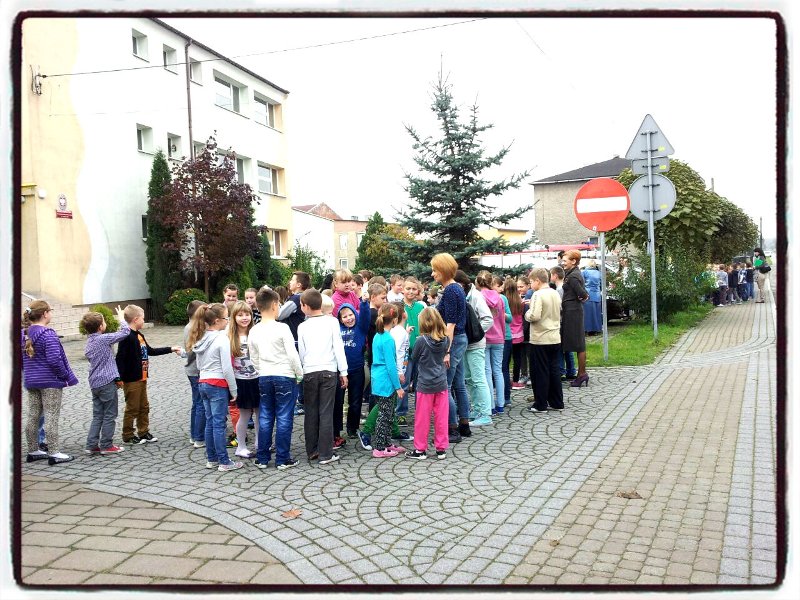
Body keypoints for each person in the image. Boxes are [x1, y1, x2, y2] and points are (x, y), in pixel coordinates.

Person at [249, 288, 303, 470]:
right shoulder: (282, 328)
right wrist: (299, 374)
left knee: (265, 416)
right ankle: (282, 458)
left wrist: (261, 370)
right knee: (284, 416)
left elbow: (253, 356)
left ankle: (262, 458)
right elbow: (292, 354)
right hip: (285, 375)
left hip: (264, 376)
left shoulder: (254, 330)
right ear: (274, 305)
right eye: (279, 304)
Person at [22, 300, 79, 465]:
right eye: (50, 311)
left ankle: (33, 450)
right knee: (51, 416)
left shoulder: (24, 334)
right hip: (50, 382)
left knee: (33, 415)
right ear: (45, 314)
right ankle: (54, 453)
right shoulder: (48, 334)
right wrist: (64, 375)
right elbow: (55, 360)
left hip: (32, 381)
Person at [188, 303, 243, 472]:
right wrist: (234, 390)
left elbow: (199, 364)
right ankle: (224, 461)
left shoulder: (201, 337)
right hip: (217, 383)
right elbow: (226, 368)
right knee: (219, 424)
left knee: (210, 422)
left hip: (203, 382)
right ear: (217, 321)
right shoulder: (221, 339)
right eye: (226, 318)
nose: (228, 321)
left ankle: (211, 459)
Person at [116, 305, 180, 445]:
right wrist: (118, 378)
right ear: (136, 319)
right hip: (131, 379)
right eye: (143, 319)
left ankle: (143, 432)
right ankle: (128, 435)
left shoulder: (139, 335)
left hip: (142, 377)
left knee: (144, 406)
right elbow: (120, 358)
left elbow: (150, 351)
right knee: (132, 408)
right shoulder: (126, 337)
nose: (144, 321)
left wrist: (170, 349)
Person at [298, 288, 348, 465]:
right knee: (326, 411)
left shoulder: (302, 326)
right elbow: (338, 347)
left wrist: (303, 369)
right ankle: (326, 453)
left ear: (305, 306)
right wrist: (344, 371)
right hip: (328, 371)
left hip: (310, 371)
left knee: (311, 411)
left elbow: (302, 351)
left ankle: (312, 450)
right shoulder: (332, 322)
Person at [81, 306, 130, 456]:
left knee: (98, 415)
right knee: (110, 414)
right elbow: (125, 332)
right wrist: (121, 318)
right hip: (107, 382)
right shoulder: (103, 339)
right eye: (103, 321)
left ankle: (91, 445)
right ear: (100, 326)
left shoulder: (89, 342)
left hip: (94, 383)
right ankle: (107, 445)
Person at [431, 253, 469, 443]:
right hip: (459, 340)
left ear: (443, 270)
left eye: (435, 270)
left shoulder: (452, 291)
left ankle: (452, 429)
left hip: (454, 341)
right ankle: (464, 424)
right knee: (459, 384)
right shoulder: (455, 289)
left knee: (445, 386)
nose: (432, 274)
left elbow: (450, 325)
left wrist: (446, 351)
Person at [406, 307, 450, 460]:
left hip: (425, 384)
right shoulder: (446, 339)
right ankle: (441, 448)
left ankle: (420, 449)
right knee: (441, 418)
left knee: (422, 418)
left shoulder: (421, 341)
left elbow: (414, 357)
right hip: (441, 383)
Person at [454, 270, 494, 427]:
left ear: (461, 283)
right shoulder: (463, 295)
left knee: (478, 378)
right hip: (465, 344)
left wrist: (475, 333)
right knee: (470, 379)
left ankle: (485, 413)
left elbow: (488, 319)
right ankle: (477, 409)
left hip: (475, 344)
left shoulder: (476, 296)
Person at [369, 303, 406, 458]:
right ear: (395, 319)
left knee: (388, 414)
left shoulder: (378, 335)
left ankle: (386, 443)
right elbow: (391, 365)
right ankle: (379, 448)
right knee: (384, 416)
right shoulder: (388, 339)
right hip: (386, 381)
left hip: (378, 378)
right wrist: (398, 387)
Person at [526, 268, 564, 413]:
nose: (530, 285)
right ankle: (557, 401)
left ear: (537, 280)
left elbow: (534, 316)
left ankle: (540, 404)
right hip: (555, 337)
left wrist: (527, 312)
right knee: (554, 370)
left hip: (540, 338)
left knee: (540, 371)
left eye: (531, 282)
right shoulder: (555, 292)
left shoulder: (538, 294)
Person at [227, 301, 259, 458]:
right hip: (241, 381)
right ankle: (241, 446)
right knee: (244, 415)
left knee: (261, 414)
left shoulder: (256, 333)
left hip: (257, 379)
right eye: (240, 315)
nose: (244, 318)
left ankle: (260, 443)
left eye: (247, 314)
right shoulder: (229, 337)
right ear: (234, 317)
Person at [336, 295, 371, 439]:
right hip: (340, 371)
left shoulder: (361, 328)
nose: (349, 318)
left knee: (355, 401)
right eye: (344, 317)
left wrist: (364, 303)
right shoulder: (336, 329)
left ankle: (352, 428)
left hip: (357, 369)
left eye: (351, 315)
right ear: (340, 319)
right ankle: (336, 430)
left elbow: (365, 316)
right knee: (338, 401)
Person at [278, 271, 310, 415]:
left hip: (295, 340)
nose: (289, 282)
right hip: (301, 339)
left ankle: (301, 402)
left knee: (297, 371)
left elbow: (279, 314)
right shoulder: (304, 297)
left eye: (292, 280)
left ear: (299, 284)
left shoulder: (296, 299)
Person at [476, 271, 506, 415]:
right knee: (498, 371)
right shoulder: (499, 298)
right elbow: (502, 320)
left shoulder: (478, 297)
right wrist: (502, 335)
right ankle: (501, 404)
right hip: (499, 338)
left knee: (487, 372)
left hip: (485, 338)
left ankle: (491, 406)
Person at [561, 250, 590, 388]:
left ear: (573, 261)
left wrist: (582, 297)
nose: (563, 263)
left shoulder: (573, 276)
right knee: (578, 343)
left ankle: (582, 374)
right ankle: (580, 374)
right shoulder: (573, 274)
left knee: (579, 344)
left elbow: (583, 294)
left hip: (573, 312)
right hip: (572, 310)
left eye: (565, 260)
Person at [183, 300, 207, 448]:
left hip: (192, 370)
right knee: (200, 404)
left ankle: (194, 435)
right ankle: (199, 437)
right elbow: (191, 351)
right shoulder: (193, 327)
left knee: (196, 403)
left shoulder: (191, 326)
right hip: (196, 370)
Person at [550, 266, 577, 381]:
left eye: (551, 275)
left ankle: (562, 371)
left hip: (561, 320)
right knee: (567, 347)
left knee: (561, 347)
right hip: (566, 320)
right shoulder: (564, 288)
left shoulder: (559, 290)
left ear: (555, 276)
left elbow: (560, 306)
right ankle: (571, 370)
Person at [492, 276, 514, 408]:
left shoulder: (502, 298)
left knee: (502, 368)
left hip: (505, 337)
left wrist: (502, 313)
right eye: (497, 286)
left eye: (500, 286)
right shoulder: (485, 297)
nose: (500, 288)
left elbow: (510, 318)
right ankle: (497, 397)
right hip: (493, 337)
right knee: (494, 369)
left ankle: (506, 397)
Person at [504, 277, 526, 390]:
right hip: (519, 333)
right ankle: (516, 380)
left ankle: (506, 380)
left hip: (507, 334)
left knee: (506, 359)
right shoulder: (520, 301)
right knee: (517, 358)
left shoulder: (504, 301)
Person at [582, 260, 602, 335]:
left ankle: (587, 329)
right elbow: (601, 284)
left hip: (588, 293)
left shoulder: (584, 272)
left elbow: (582, 283)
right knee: (596, 313)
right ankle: (596, 329)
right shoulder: (599, 273)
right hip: (597, 294)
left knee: (587, 313)